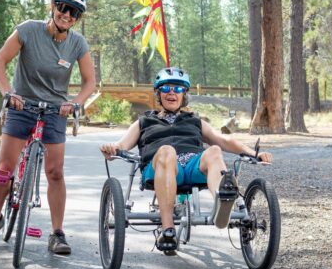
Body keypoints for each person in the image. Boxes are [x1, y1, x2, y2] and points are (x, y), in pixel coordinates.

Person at [0, 0, 96, 254]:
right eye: (63, 7)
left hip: (55, 111)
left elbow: (90, 82)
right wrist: (9, 93)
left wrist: (74, 103)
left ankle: (57, 233)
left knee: (55, 172)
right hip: (22, 105)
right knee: (5, 170)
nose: (67, 15)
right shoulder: (28, 29)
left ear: (77, 18)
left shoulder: (77, 43)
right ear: (52, 7)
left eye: (73, 12)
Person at [100, 67, 272, 253]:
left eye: (178, 89)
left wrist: (253, 153)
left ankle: (222, 201)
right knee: (167, 151)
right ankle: (168, 230)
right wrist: (112, 149)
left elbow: (224, 140)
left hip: (191, 165)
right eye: (166, 89)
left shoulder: (194, 120)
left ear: (184, 95)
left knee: (214, 150)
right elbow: (122, 144)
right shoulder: (144, 121)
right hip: (159, 166)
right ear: (159, 94)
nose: (172, 92)